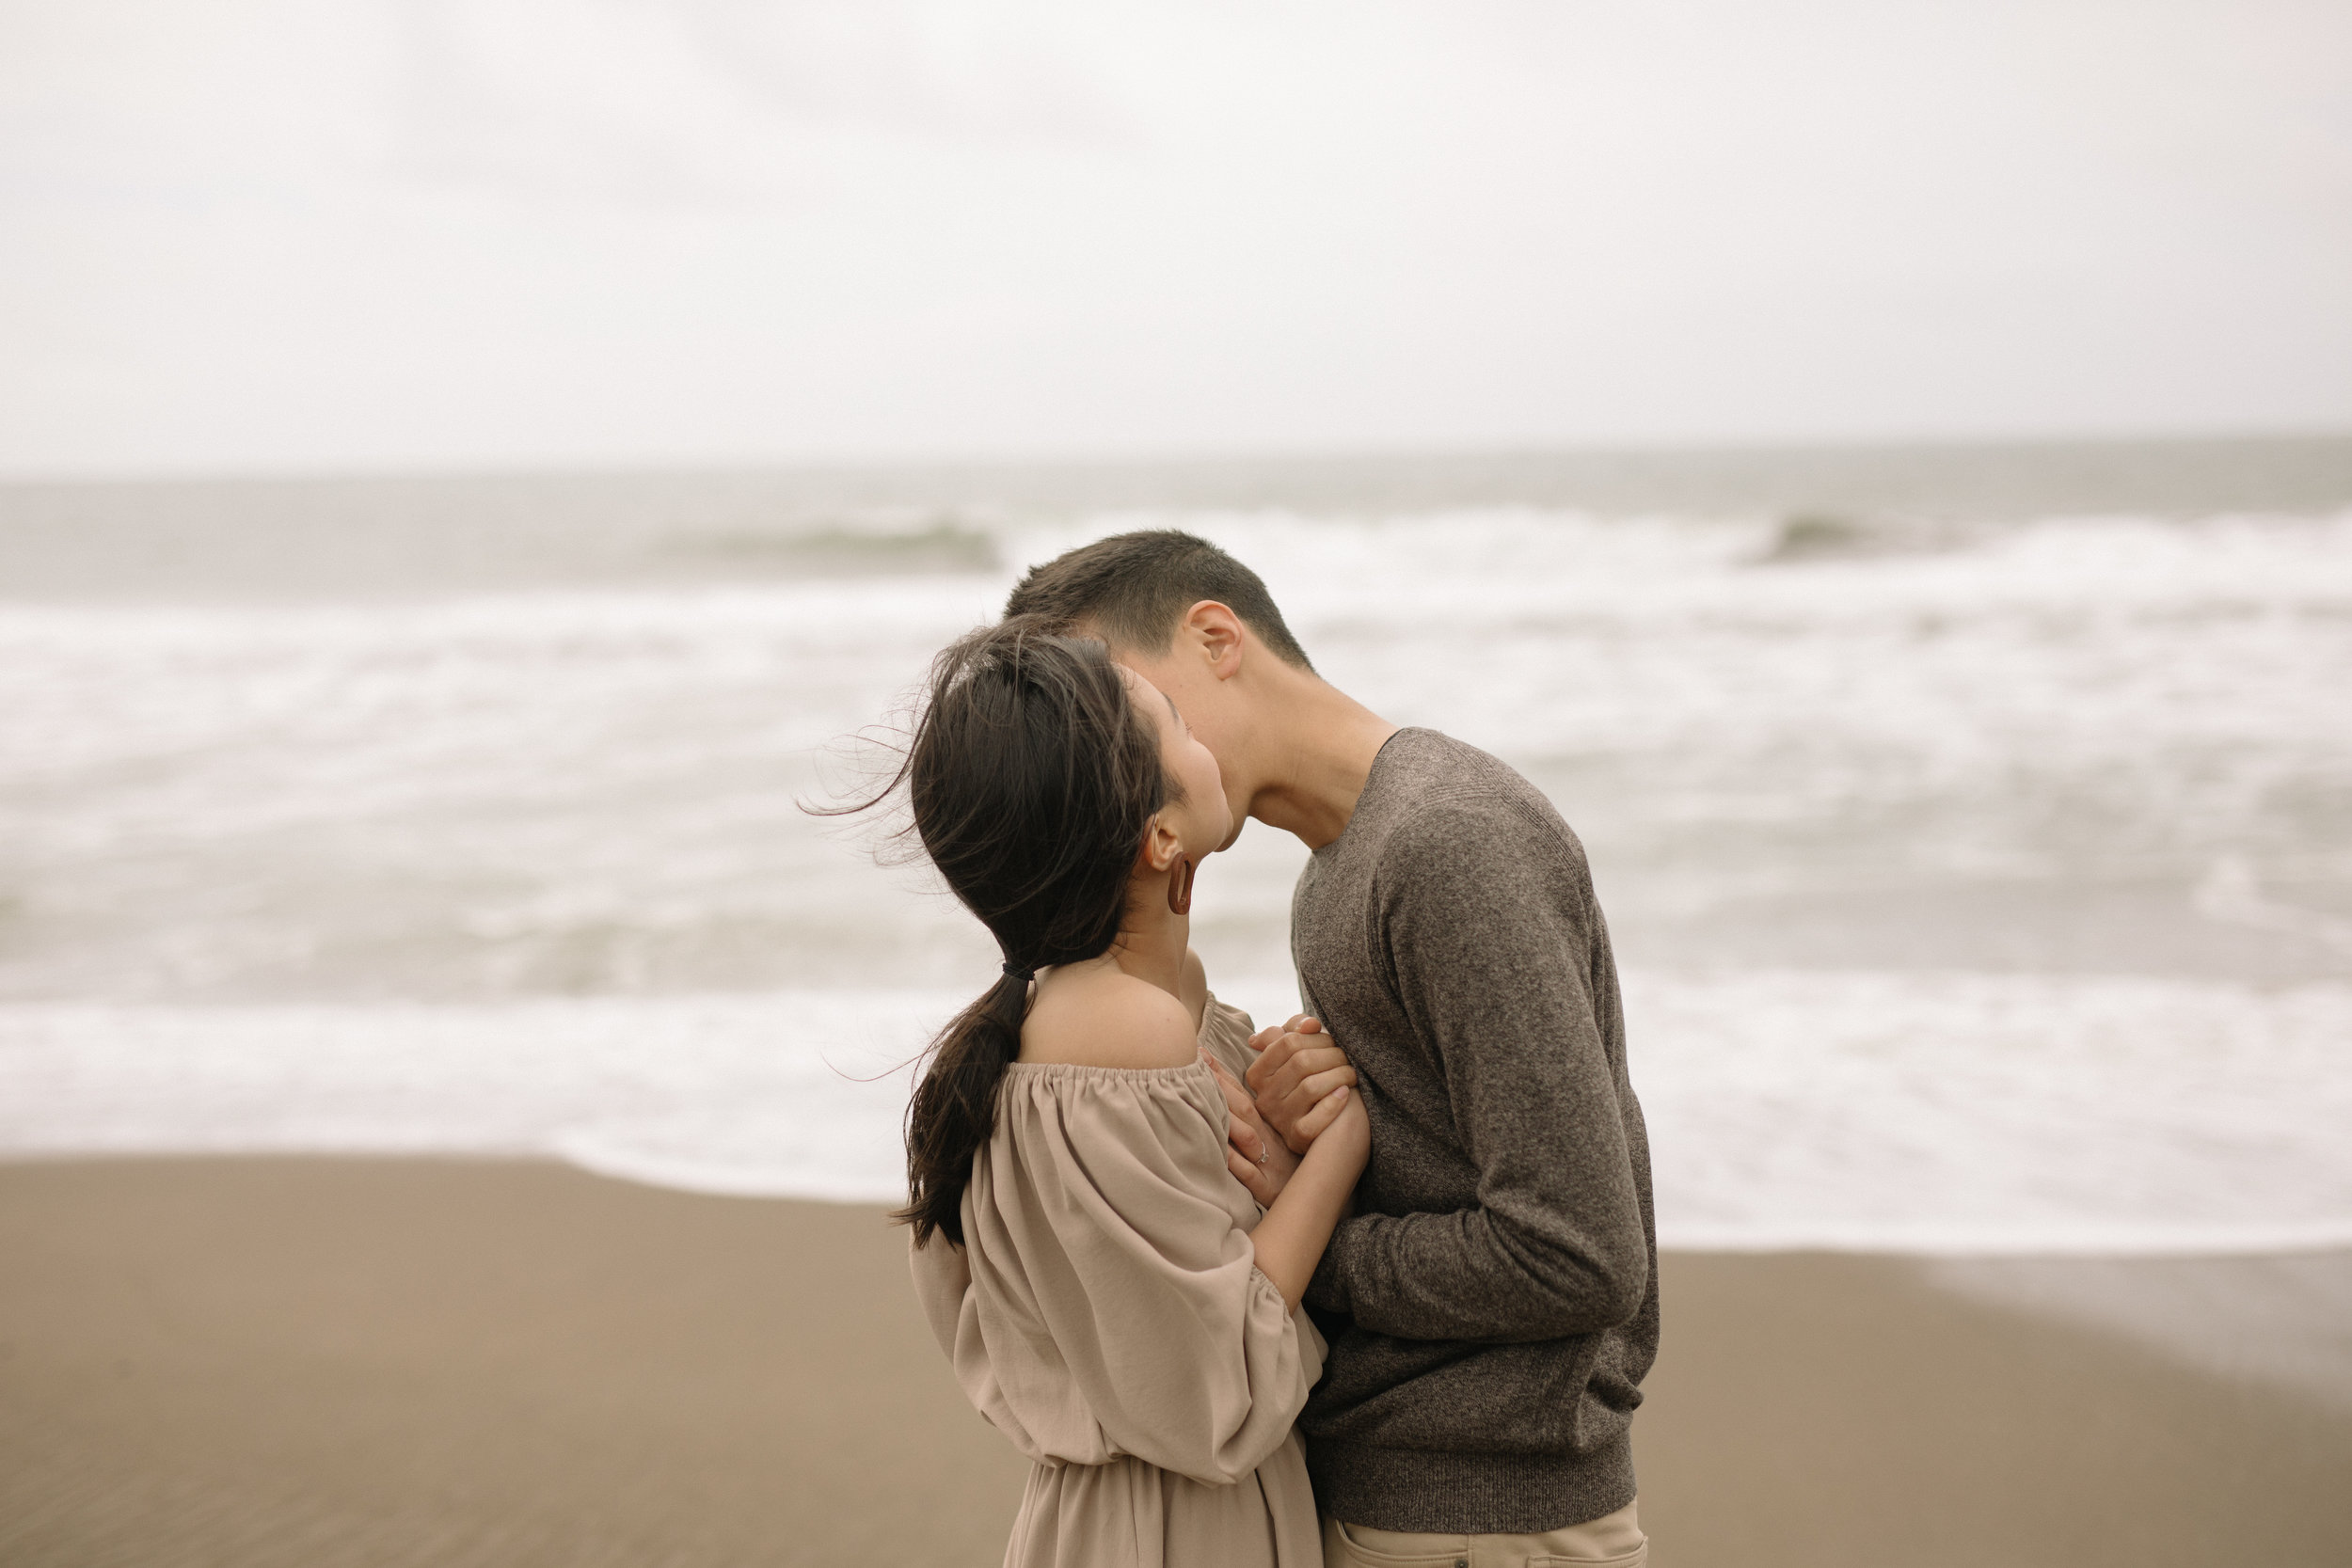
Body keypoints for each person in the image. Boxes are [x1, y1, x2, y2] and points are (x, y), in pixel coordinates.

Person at [1004, 531, 1659, 1568]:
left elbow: (1578, 1254)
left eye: (1120, 715)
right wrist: (1306, 1143)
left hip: (1481, 1515)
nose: (1102, 769)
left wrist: (1306, 1242)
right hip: (1400, 1492)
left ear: (1215, 636)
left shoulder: (1446, 842)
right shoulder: (1336, 870)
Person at [856, 619, 1368, 1568]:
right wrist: (1342, 1147)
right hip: (1176, 1527)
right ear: (1160, 833)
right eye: (1175, 719)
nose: (1203, 734)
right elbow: (1223, 1385)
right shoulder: (1123, 1031)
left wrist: (1281, 1148)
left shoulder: (1105, 1012)